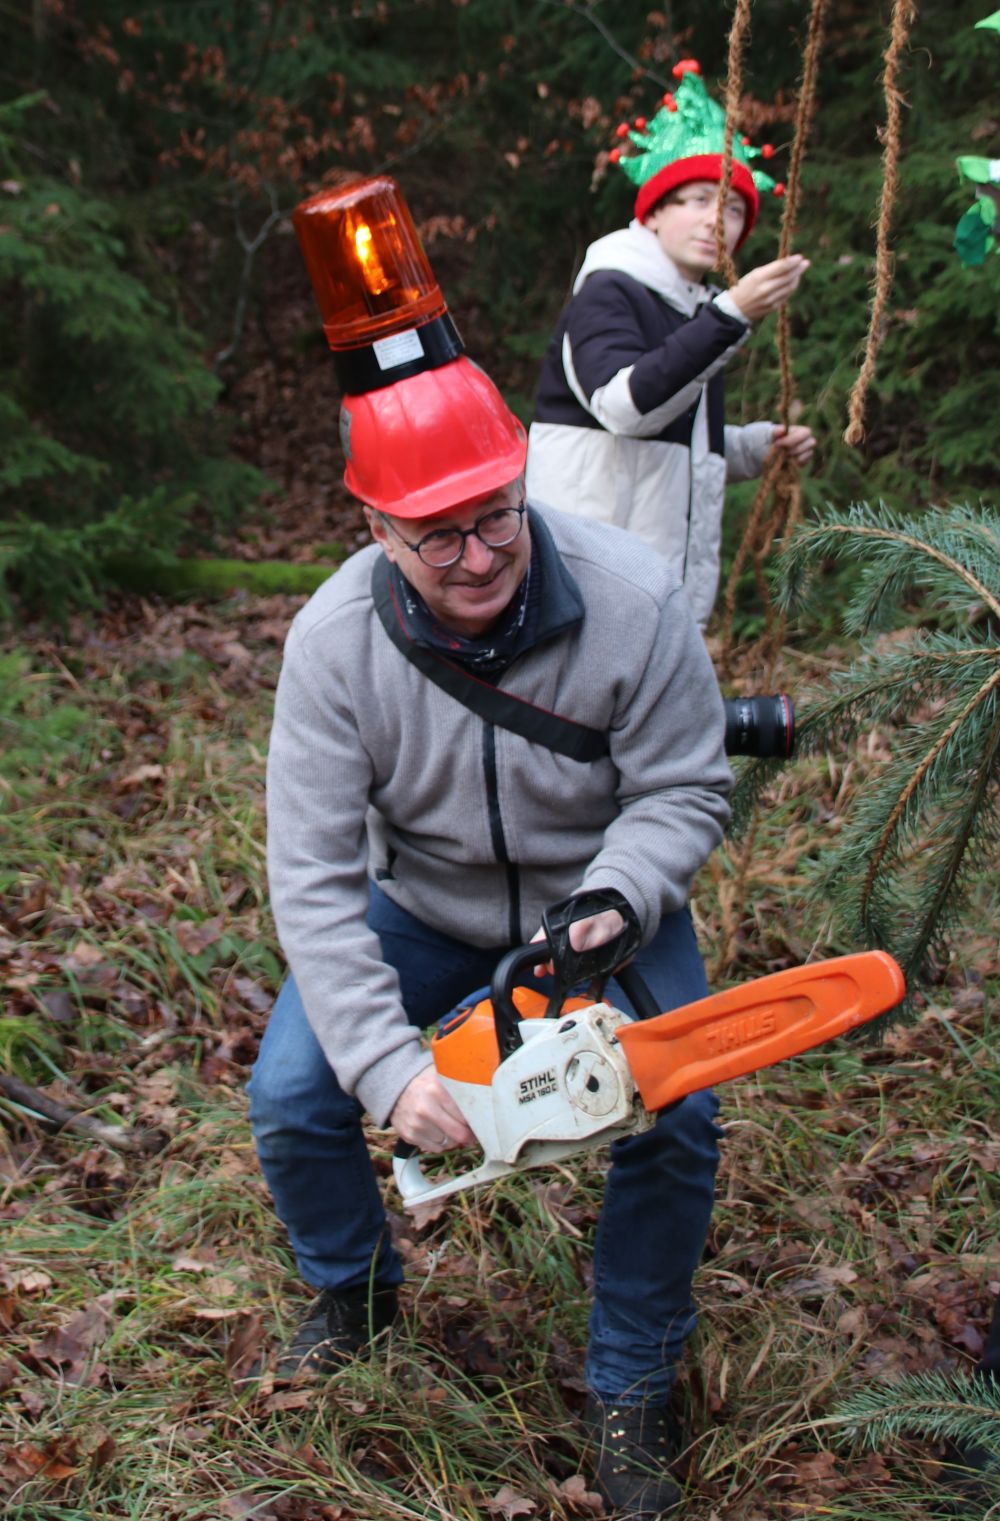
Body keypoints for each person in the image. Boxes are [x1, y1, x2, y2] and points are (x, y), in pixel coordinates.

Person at [248, 351, 734, 1518]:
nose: (478, 557)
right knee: (292, 1097)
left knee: (680, 1111)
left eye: (497, 519)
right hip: (420, 904)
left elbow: (685, 788)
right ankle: (352, 1291)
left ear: (522, 480)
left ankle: (630, 1383)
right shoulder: (330, 647)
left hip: (592, 916)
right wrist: (388, 1070)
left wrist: (618, 897)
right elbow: (310, 878)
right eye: (438, 536)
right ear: (375, 528)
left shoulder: (634, 599)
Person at [527, 59, 816, 628]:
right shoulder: (609, 290)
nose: (718, 221)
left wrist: (755, 448)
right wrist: (734, 315)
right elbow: (627, 409)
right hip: (586, 586)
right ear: (654, 212)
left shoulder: (696, 308)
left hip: (654, 591)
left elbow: (674, 444)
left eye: (733, 209)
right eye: (700, 200)